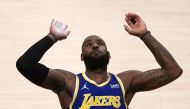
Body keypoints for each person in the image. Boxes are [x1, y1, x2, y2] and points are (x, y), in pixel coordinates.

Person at [16, 12, 183, 109]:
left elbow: (173, 71)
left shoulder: (125, 81)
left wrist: (144, 35)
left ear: (109, 54)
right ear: (82, 56)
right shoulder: (68, 82)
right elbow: (25, 64)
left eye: (100, 43)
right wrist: (52, 37)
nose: (95, 46)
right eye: (89, 44)